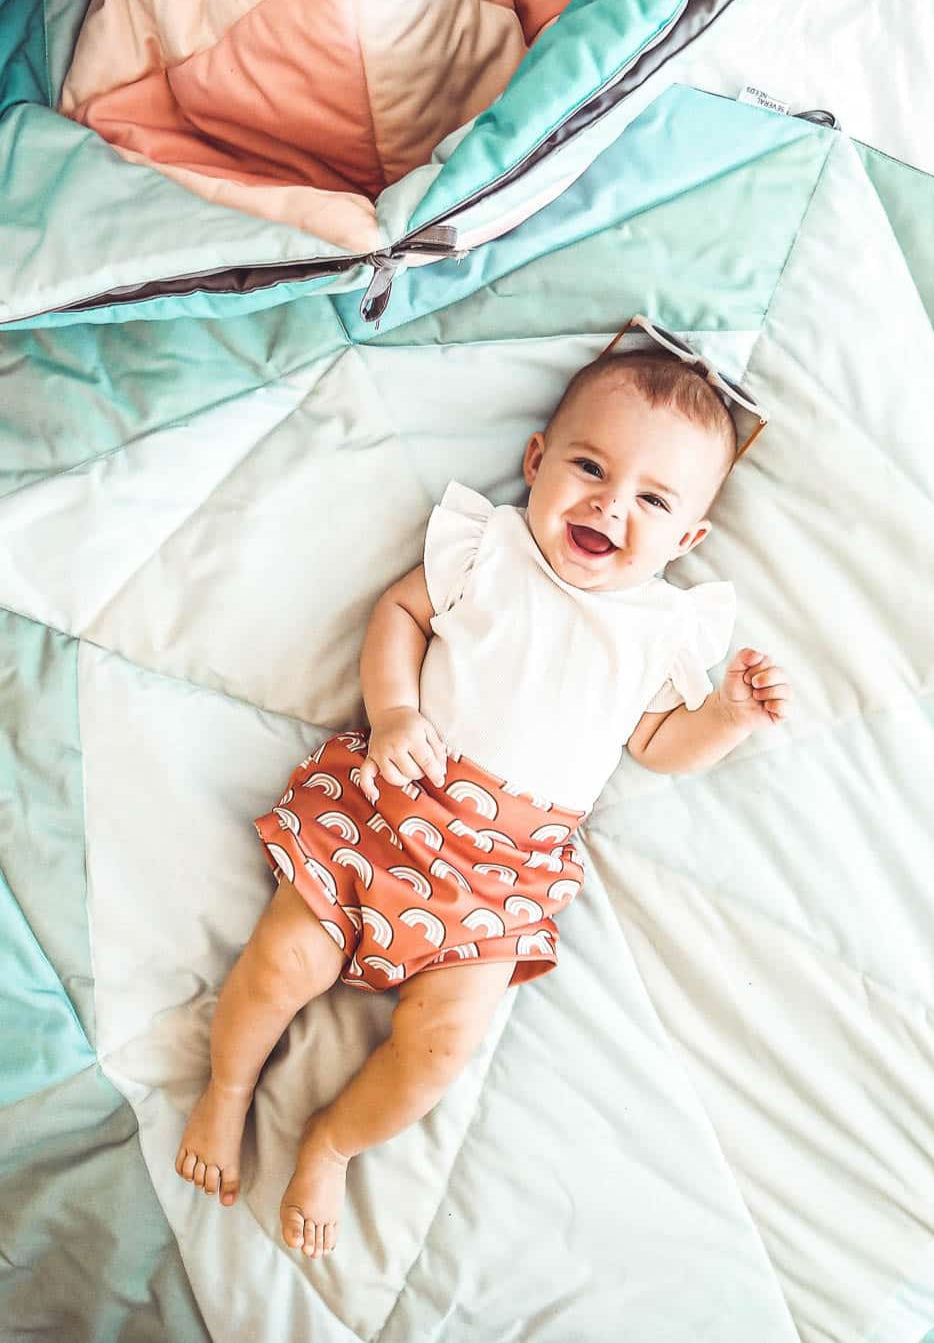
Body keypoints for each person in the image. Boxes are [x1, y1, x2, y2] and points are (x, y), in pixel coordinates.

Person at [173, 318, 792, 1259]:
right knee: (280, 962)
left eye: (651, 499)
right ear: (536, 459)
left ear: (688, 535)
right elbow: (399, 612)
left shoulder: (661, 631)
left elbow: (660, 744)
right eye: (589, 469)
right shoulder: (488, 552)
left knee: (441, 1047)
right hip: (390, 807)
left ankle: (332, 1144)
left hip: (500, 874)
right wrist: (391, 713)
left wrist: (728, 719)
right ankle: (226, 1090)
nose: (609, 508)